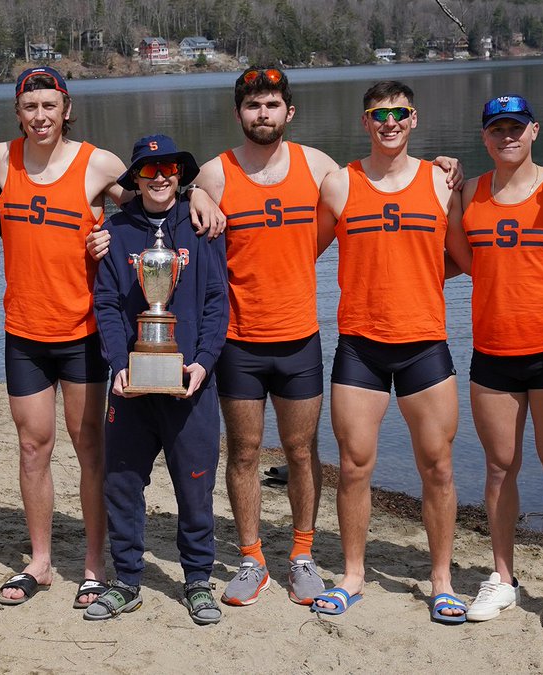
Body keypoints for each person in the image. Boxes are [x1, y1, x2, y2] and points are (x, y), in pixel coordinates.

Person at [0, 66, 224, 607]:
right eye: (30, 107)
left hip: (79, 330)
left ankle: (96, 566)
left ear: (67, 108)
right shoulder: (0, 160)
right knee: (30, 446)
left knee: (91, 449)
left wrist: (199, 196)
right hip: (23, 328)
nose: (40, 116)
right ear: (18, 113)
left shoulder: (99, 163)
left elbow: (146, 201)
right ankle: (41, 562)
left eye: (50, 105)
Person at [314, 80, 468, 621]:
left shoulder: (442, 182)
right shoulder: (339, 185)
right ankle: (353, 575)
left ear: (415, 118)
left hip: (425, 343)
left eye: (399, 113)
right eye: (379, 115)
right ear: (365, 123)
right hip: (360, 345)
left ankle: (442, 581)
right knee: (354, 467)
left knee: (439, 468)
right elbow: (295, 253)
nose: (390, 123)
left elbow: (468, 258)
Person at [191, 66, 338, 607]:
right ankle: (252, 558)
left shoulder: (319, 167)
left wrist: (442, 167)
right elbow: (180, 218)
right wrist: (191, 194)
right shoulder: (216, 173)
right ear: (239, 114)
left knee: (302, 451)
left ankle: (302, 554)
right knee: (246, 452)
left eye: (272, 104)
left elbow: (376, 192)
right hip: (239, 340)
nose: (262, 114)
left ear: (288, 112)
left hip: (300, 336)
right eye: (253, 106)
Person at [450, 95, 543, 632]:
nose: (506, 136)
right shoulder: (468, 194)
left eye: (515, 126)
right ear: (485, 137)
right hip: (492, 352)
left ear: (534, 130)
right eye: (495, 129)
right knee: (499, 466)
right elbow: (460, 262)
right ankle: (502, 577)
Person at [87, 135, 229, 624]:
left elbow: (216, 303)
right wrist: (117, 362)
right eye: (148, 170)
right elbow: (105, 303)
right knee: (122, 483)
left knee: (195, 485)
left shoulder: (201, 226)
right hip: (131, 384)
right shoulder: (117, 230)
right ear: (135, 178)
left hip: (190, 383)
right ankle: (126, 580)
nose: (160, 176)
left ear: (180, 173)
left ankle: (197, 581)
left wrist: (204, 361)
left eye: (168, 167)